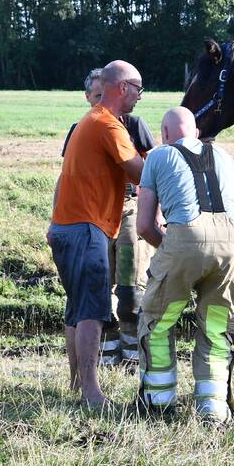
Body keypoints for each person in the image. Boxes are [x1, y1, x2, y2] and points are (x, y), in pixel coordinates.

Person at [136, 107, 234, 424]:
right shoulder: (224, 156)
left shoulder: (159, 155)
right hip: (233, 246)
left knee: (159, 321)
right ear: (195, 133)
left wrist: (174, 249)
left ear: (166, 135)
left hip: (184, 239)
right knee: (215, 327)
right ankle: (213, 408)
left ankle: (159, 402)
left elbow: (144, 225)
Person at [48, 60, 145, 407]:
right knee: (91, 311)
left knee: (76, 309)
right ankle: (91, 391)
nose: (139, 97)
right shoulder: (108, 124)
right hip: (88, 228)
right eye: (138, 89)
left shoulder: (89, 122)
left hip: (67, 226)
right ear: (122, 87)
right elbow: (140, 172)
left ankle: (77, 384)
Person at [61, 69, 156, 367]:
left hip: (128, 207)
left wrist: (157, 211)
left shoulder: (133, 125)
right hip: (95, 218)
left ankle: (129, 355)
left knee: (129, 287)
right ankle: (106, 355)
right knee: (99, 292)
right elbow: (66, 178)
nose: (101, 100)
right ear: (88, 97)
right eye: (96, 96)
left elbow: (150, 170)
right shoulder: (90, 126)